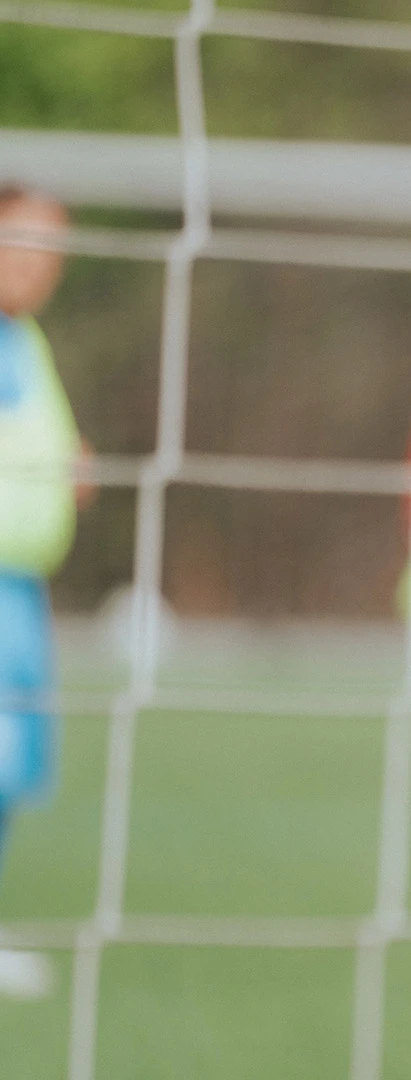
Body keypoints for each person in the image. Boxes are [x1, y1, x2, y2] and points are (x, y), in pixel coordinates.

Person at [0, 185, 82, 1001]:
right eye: (22, 241)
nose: (38, 263)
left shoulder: (25, 339)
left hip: (18, 589)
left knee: (10, 769)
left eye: (52, 248)